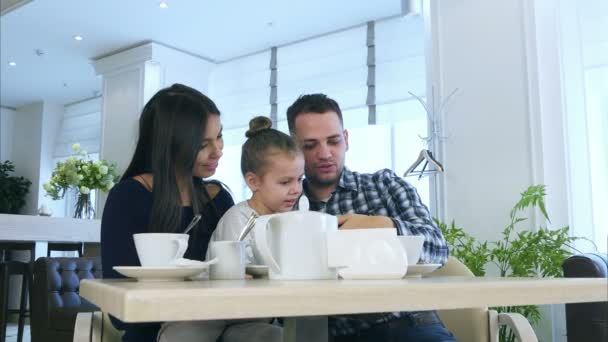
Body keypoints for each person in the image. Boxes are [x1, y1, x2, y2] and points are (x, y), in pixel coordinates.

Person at [101, 84, 280, 342]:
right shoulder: (128, 198)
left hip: (225, 322)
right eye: (202, 144)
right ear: (168, 144)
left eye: (219, 137)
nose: (218, 151)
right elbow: (120, 310)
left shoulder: (218, 198)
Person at [286, 94, 456, 342]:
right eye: (310, 145)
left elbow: (438, 248)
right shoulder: (285, 208)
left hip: (406, 325)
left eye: (333, 141)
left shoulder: (384, 185)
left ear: (345, 139)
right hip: (331, 333)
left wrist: (382, 225)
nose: (324, 154)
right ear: (295, 148)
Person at [211, 116, 304, 265]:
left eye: (299, 179)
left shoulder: (289, 217)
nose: (296, 189)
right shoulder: (237, 219)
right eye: (285, 182)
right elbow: (237, 270)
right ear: (253, 182)